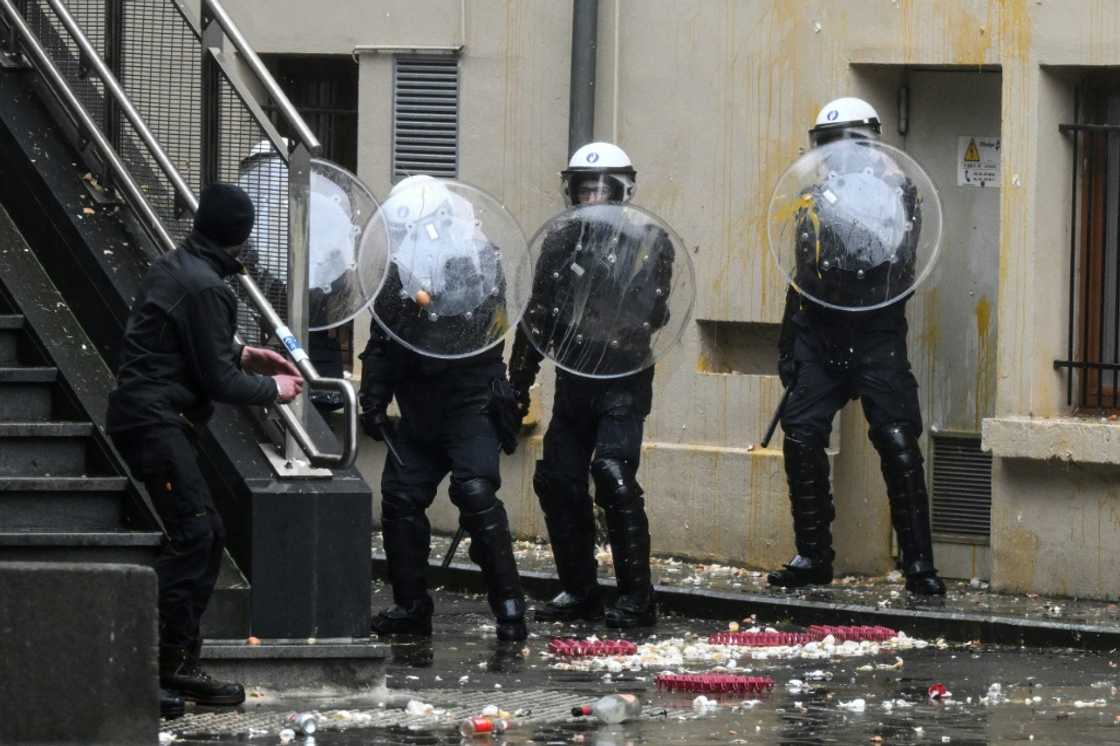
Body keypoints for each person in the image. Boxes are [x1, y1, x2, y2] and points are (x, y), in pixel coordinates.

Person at [106, 183, 305, 709]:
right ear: (242, 236)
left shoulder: (180, 266)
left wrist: (247, 353)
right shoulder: (208, 287)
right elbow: (217, 382)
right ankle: (150, 665)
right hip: (156, 419)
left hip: (147, 415)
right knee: (195, 535)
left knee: (206, 533)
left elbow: (193, 341)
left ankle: (173, 664)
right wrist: (275, 389)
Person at [768, 97, 946, 596]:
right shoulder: (812, 198)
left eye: (847, 142)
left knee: (896, 438)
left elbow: (897, 263)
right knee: (801, 436)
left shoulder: (899, 193)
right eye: (829, 144)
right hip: (819, 330)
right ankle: (813, 555)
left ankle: (919, 565)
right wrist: (790, 344)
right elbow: (798, 275)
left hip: (875, 331)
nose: (838, 154)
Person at [508, 142, 673, 628]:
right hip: (575, 377)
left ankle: (637, 596)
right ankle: (579, 589)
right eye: (584, 187)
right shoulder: (562, 240)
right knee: (558, 479)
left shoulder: (649, 238)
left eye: (602, 186)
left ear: (623, 190)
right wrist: (517, 382)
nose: (592, 195)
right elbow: (539, 313)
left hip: (624, 376)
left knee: (613, 474)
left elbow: (655, 310)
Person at [360, 175, 527, 642]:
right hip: (418, 408)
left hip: (471, 401)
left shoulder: (479, 259)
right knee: (400, 497)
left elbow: (484, 327)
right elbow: (382, 340)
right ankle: (411, 607)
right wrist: (373, 397)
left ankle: (510, 608)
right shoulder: (396, 272)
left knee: (474, 492)